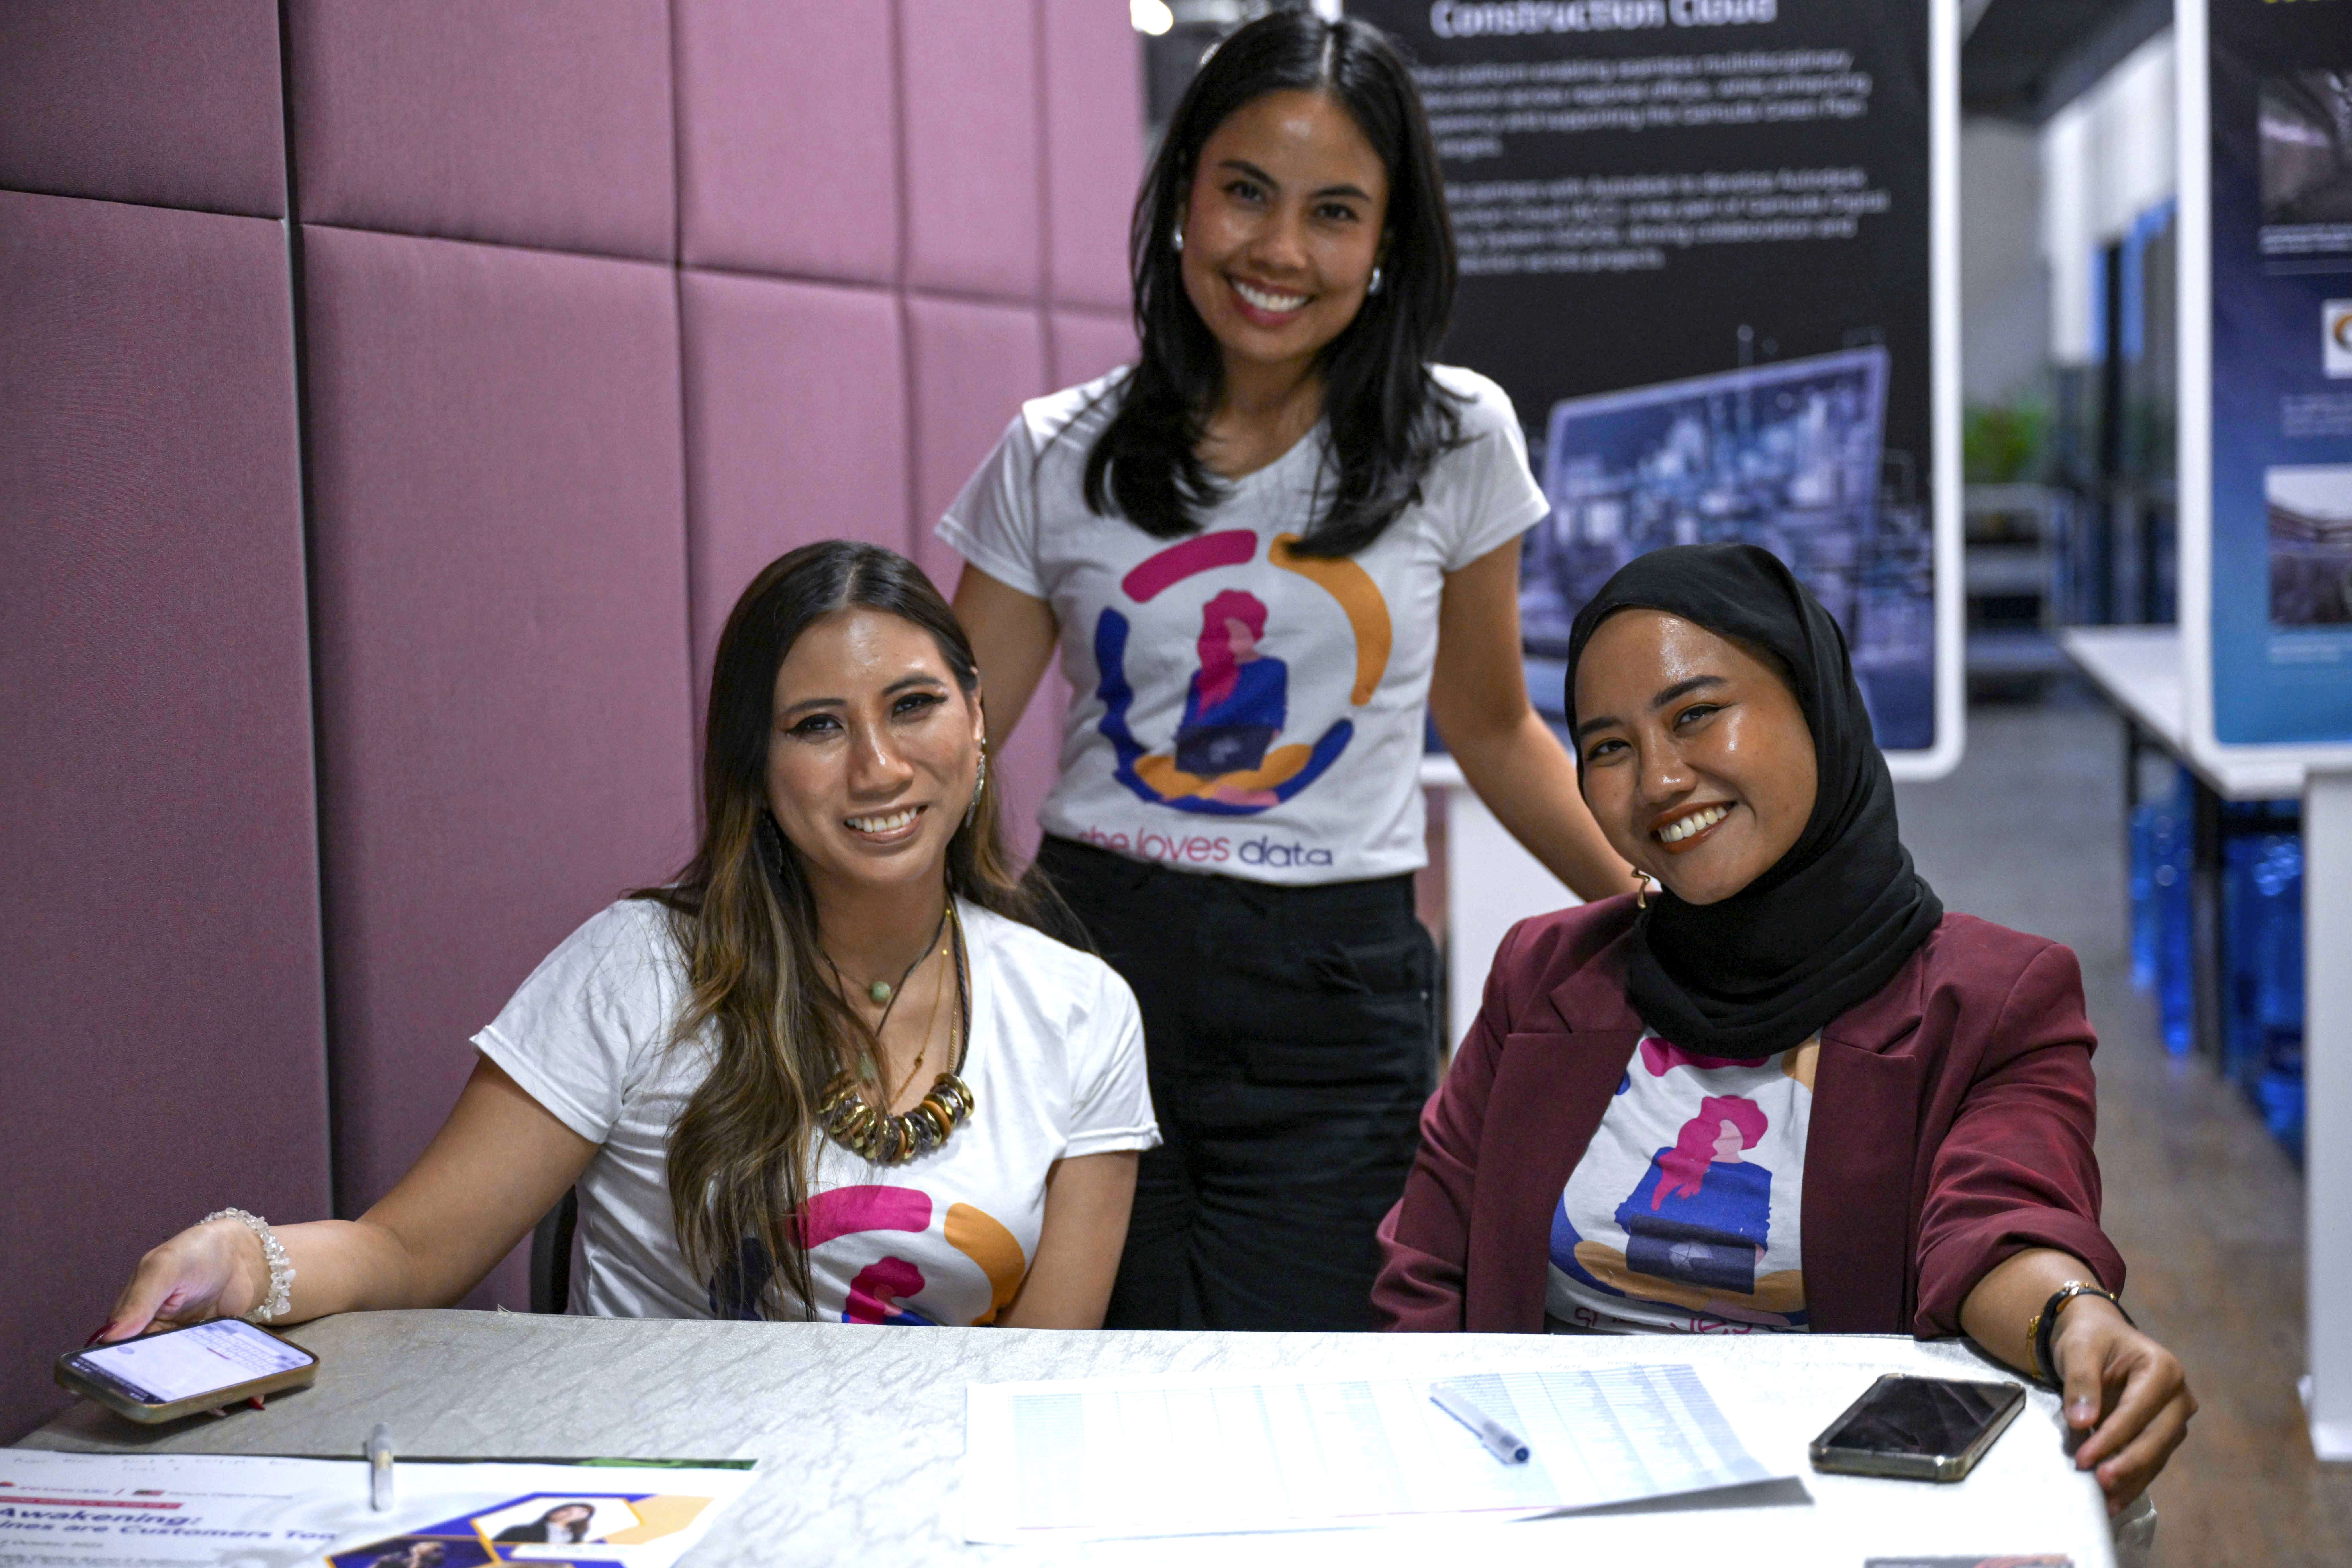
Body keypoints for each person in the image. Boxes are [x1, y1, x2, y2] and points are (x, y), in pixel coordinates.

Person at [940, 8, 1627, 1332]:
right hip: (1088, 967)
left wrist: (1671, 924)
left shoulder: (1454, 438)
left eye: (1332, 212)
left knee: (1312, 1400)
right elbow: (939, 753)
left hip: (1335, 997)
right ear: (1182, 195)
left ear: (1384, 246)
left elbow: (1493, 735)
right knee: (1092, 1397)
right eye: (1244, 192)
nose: (1277, 249)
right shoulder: (1055, 449)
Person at [96, 542, 1157, 1340]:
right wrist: (244, 1258)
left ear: (978, 719)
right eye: (818, 726)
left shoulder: (1081, 1009)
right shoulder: (640, 970)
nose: (877, 768)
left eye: (913, 706)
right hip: (668, 1504)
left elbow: (1038, 1378)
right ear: (756, 768)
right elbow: (407, 1248)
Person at [1373, 543, 2195, 1513]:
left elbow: (1995, 1225)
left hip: (1829, 1512)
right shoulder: (1545, 975)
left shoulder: (1987, 997)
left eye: (1695, 715)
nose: (1657, 780)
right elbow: (1424, 1267)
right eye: (1606, 747)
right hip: (1544, 1503)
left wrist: (2073, 1316)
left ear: (1813, 704)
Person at [494, 1503, 595, 1544]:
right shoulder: (519, 1532)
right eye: (566, 1510)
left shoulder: (577, 1540)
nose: (572, 1514)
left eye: (581, 1513)